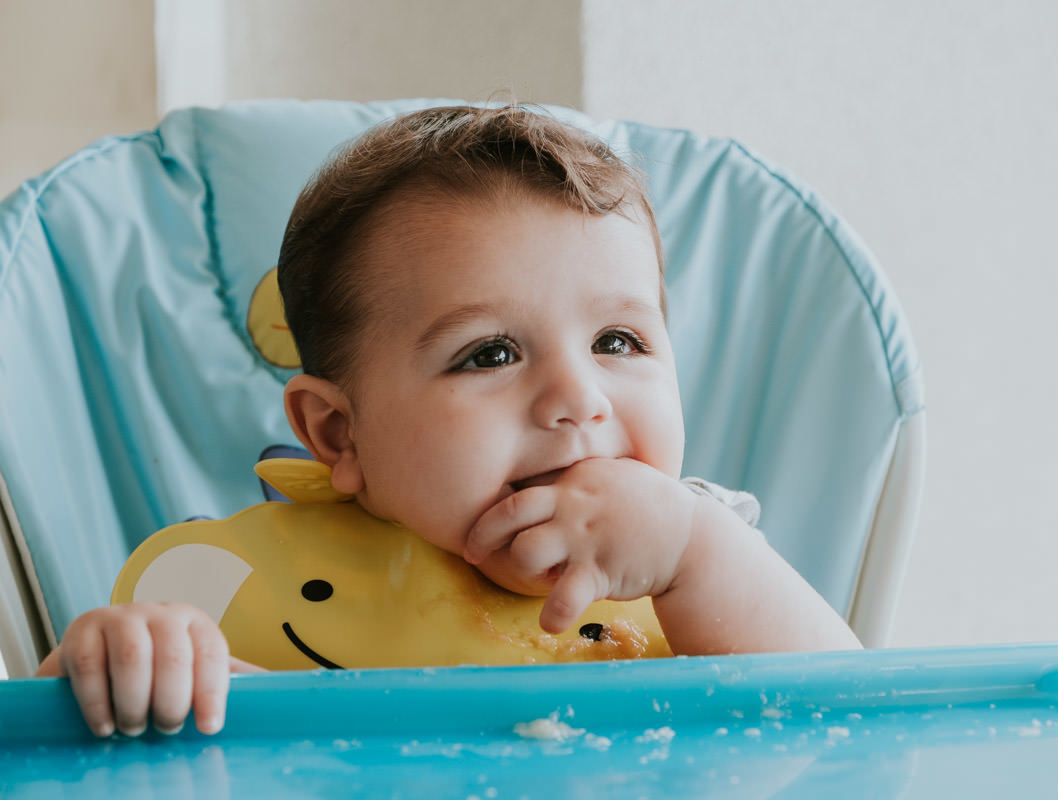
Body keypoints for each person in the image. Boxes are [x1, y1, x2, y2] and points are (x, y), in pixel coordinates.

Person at [36, 104, 862, 738]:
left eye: (619, 340)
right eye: (491, 354)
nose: (578, 399)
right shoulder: (240, 593)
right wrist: (120, 669)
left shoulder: (702, 571)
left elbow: (848, 726)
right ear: (337, 434)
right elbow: (52, 748)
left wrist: (694, 552)